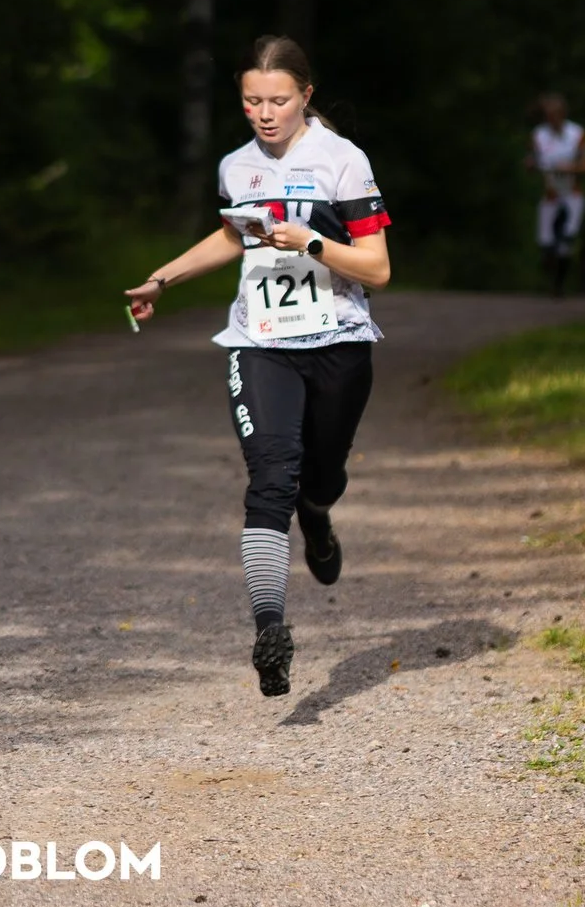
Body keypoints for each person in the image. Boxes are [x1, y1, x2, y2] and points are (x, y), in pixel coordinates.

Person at [123, 36, 393, 699]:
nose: (265, 113)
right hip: (260, 341)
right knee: (269, 478)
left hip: (338, 340)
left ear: (306, 95)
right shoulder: (237, 166)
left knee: (320, 476)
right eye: (252, 101)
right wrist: (163, 278)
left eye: (278, 99)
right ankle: (270, 628)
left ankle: (319, 513)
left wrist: (311, 240)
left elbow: (378, 269)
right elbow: (230, 234)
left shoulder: (343, 162)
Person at [525, 93, 585, 296]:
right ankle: (548, 273)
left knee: (567, 239)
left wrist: (570, 168)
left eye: (554, 114)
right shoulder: (539, 135)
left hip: (572, 192)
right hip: (551, 194)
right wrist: (530, 165)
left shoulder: (576, 134)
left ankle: (559, 287)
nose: (550, 119)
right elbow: (533, 161)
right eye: (547, 115)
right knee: (546, 242)